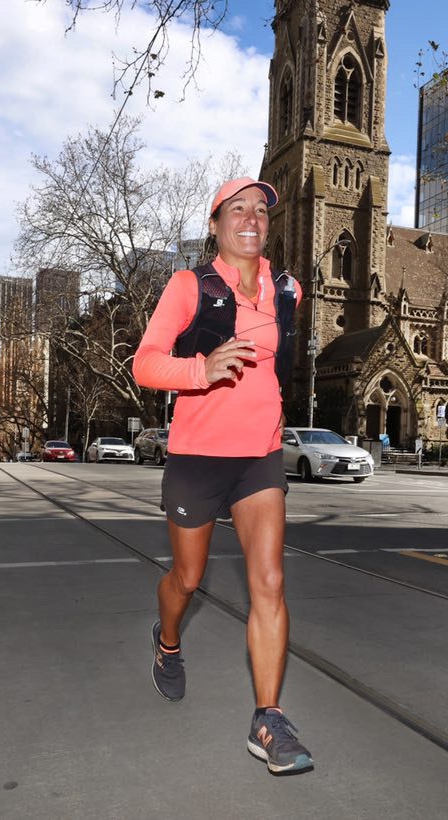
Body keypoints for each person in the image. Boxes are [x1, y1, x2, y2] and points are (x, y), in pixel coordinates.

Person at [132, 177, 312, 774]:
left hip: (258, 457)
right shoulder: (190, 287)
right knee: (186, 579)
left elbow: (276, 367)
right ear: (216, 223)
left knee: (270, 582)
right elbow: (145, 364)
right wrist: (201, 369)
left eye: (261, 210)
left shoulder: (288, 291)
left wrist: (274, 406)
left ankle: (269, 718)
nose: (252, 219)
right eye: (239, 209)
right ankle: (167, 640)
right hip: (197, 456)